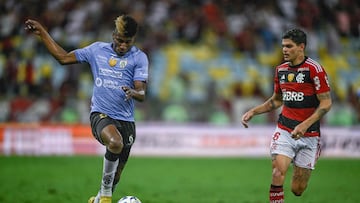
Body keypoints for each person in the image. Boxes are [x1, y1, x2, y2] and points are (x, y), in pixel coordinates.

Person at [25, 15, 149, 203]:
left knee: (116, 175)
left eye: (128, 42)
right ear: (113, 35)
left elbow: (141, 93)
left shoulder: (139, 58)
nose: (123, 46)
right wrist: (42, 33)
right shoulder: (97, 50)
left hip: (127, 120)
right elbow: (63, 58)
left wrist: (133, 91)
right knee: (115, 142)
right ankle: (106, 198)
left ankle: (98, 199)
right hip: (101, 114)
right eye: (120, 41)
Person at [241, 28, 332, 202]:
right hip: (285, 130)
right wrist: (253, 111)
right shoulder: (281, 70)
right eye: (283, 46)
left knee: (298, 189)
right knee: (277, 172)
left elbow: (326, 103)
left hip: (310, 135)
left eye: (289, 46)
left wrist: (304, 124)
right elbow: (276, 101)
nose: (284, 50)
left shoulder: (314, 70)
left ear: (301, 47)